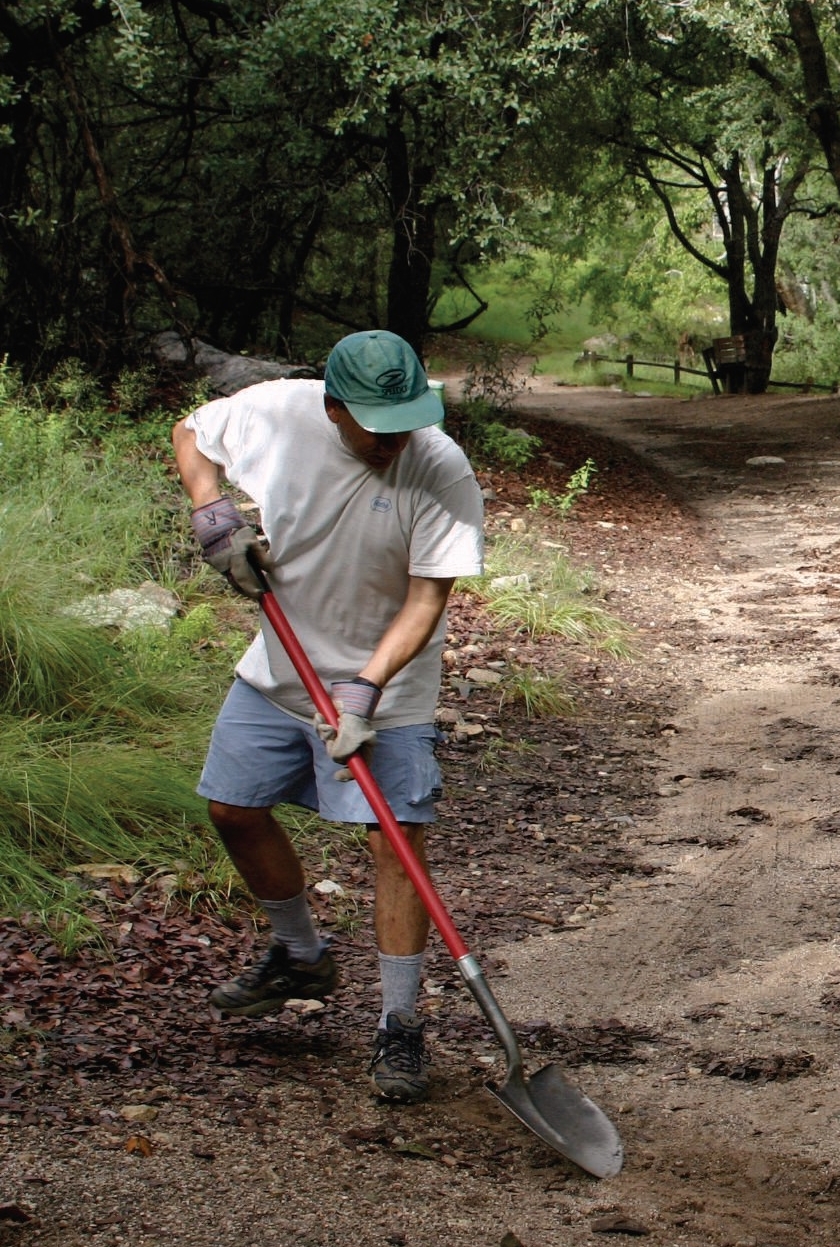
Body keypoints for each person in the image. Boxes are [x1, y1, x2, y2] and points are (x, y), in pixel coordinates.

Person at [172, 329, 484, 1103]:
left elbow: (427, 598)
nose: (393, 442)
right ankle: (301, 954)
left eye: (405, 422)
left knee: (395, 842)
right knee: (232, 808)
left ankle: (400, 1025)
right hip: (279, 668)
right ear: (333, 407)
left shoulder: (440, 467)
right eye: (375, 427)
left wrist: (365, 689)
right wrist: (213, 513)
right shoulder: (278, 412)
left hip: (388, 685)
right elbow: (190, 431)